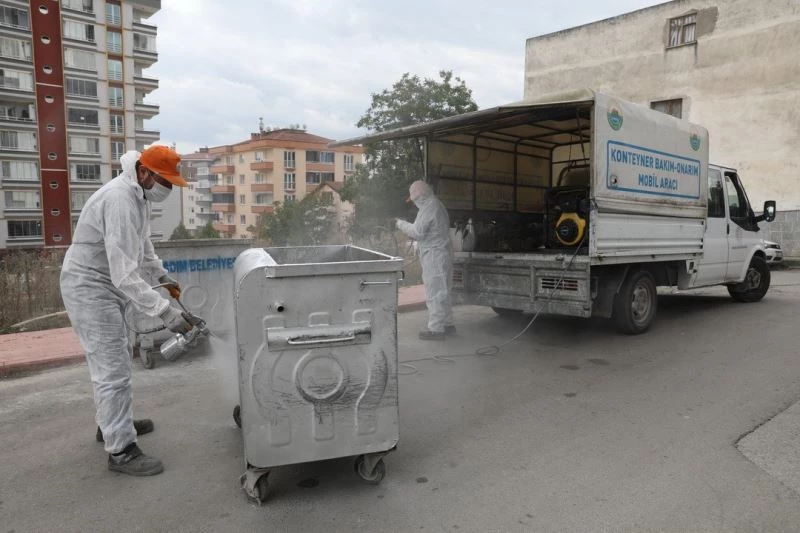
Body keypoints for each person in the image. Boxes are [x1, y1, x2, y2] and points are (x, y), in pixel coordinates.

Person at [60, 146, 192, 477]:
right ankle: (120, 450)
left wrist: (162, 275)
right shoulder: (120, 199)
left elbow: (142, 246)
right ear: (144, 172)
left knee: (115, 360)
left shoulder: (139, 198)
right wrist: (165, 312)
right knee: (112, 369)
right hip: (91, 286)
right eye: (165, 181)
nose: (168, 189)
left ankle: (111, 424)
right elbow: (123, 273)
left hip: (105, 286)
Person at [396, 180, 455, 341]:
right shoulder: (437, 204)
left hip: (434, 255)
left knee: (434, 292)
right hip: (443, 252)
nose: (414, 203)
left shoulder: (429, 206)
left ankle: (436, 329)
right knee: (444, 291)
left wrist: (400, 223)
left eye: (414, 200)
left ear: (419, 196)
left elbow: (417, 232)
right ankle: (448, 324)